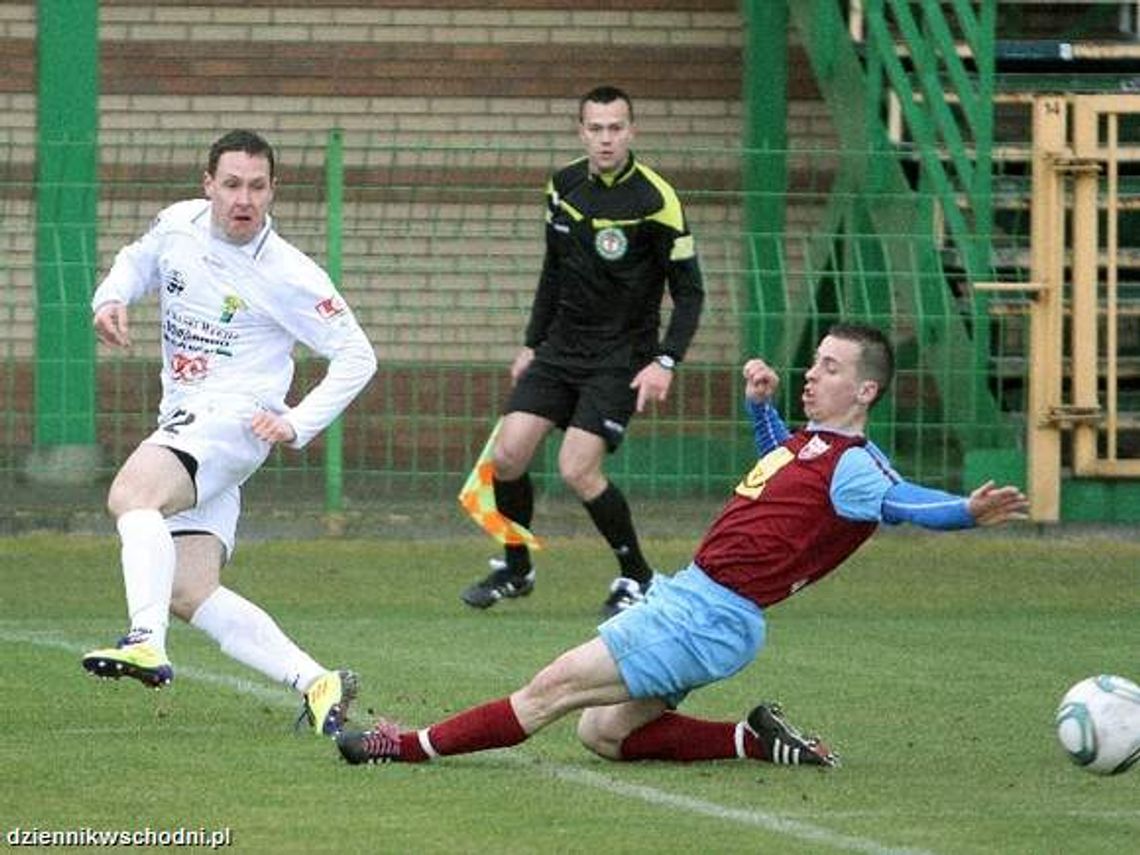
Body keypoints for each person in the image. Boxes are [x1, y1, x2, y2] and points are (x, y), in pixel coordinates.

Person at [336, 323, 1028, 767]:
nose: (812, 373)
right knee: (602, 734)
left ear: (866, 388)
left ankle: (402, 744)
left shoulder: (857, 467)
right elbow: (779, 467)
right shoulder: (814, 445)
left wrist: (964, 509)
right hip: (701, 605)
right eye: (814, 361)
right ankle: (753, 738)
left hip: (705, 616)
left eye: (829, 367)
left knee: (549, 691)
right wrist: (762, 407)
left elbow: (905, 501)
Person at [81, 129, 378, 735]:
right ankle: (316, 682)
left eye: (258, 187)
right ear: (208, 185)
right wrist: (110, 298)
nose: (244, 198)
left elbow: (357, 356)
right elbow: (140, 258)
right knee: (189, 589)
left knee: (131, 495)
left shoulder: (290, 273)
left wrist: (296, 422)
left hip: (233, 421)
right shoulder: (179, 224)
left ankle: (144, 641)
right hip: (188, 420)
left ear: (273, 192)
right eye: (233, 184)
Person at [460, 85, 705, 618]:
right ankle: (516, 568)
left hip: (621, 356)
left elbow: (689, 292)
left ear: (631, 131)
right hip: (560, 349)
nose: (606, 139)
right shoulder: (564, 185)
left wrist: (666, 360)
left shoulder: (656, 200)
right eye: (596, 128)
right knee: (506, 455)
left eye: (616, 128)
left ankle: (638, 575)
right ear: (581, 132)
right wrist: (531, 342)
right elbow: (554, 270)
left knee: (577, 469)